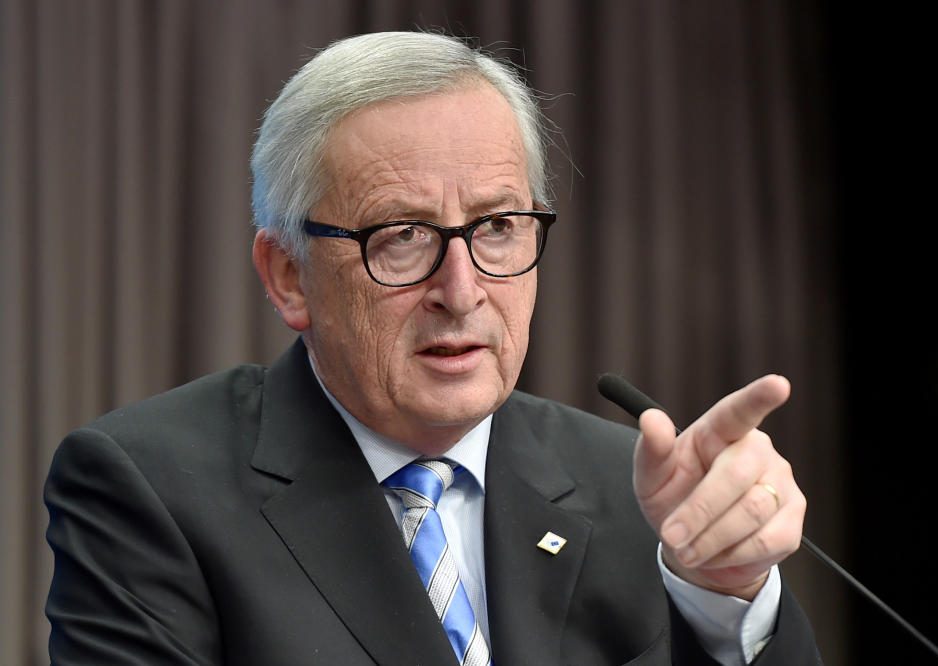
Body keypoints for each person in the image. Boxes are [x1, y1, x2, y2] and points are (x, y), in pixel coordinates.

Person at [44, 31, 820, 665]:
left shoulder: (638, 496)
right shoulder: (148, 487)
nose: (462, 289)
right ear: (289, 276)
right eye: (404, 236)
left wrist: (726, 597)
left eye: (496, 227)